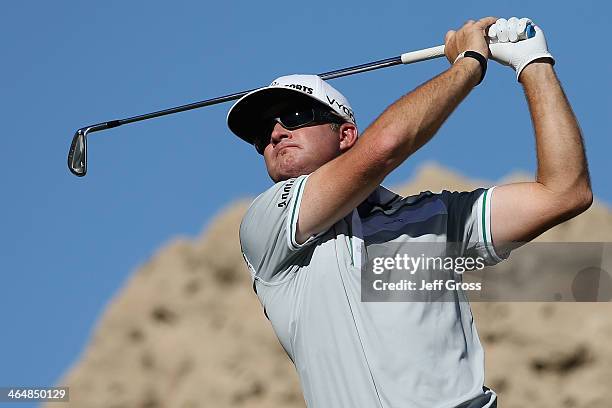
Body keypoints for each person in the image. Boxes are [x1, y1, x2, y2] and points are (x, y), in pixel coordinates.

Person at [226, 16, 592, 408]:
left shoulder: (435, 216)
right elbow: (384, 148)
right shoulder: (268, 224)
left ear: (346, 134)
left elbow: (564, 192)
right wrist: (469, 63)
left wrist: (533, 63)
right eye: (264, 133)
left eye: (295, 118)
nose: (276, 134)